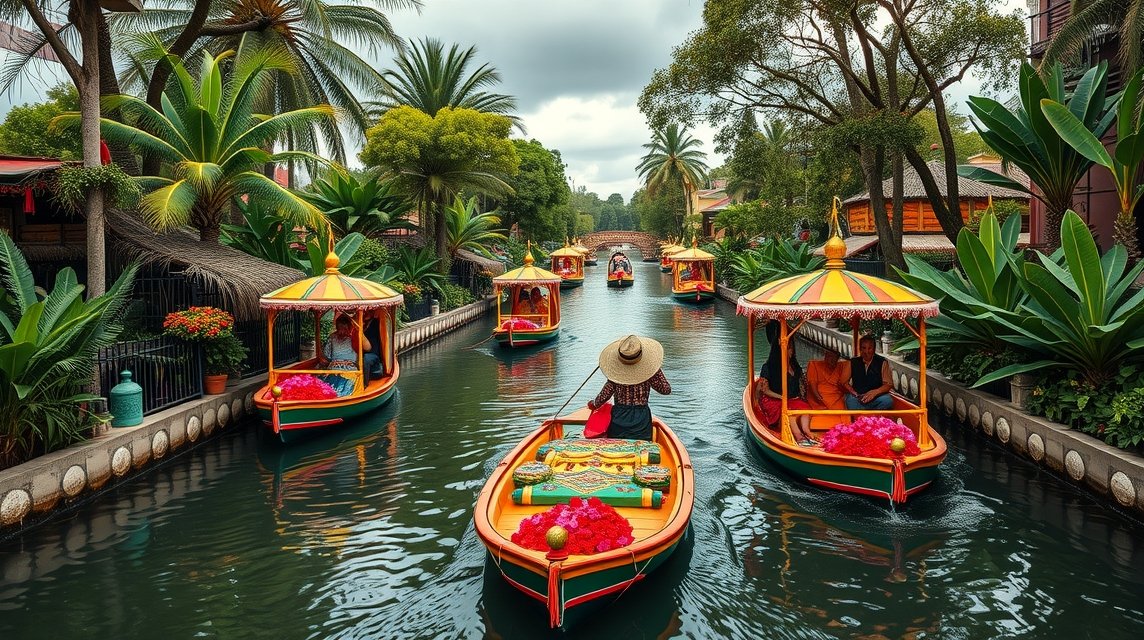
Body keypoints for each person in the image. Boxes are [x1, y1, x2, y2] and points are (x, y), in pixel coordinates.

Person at [587, 335, 671, 441]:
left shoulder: (616, 374)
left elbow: (602, 398)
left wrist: (593, 404)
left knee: (617, 448)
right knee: (642, 448)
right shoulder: (648, 372)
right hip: (641, 418)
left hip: (619, 417)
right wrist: (655, 370)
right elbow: (666, 390)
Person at [754, 322, 816, 445]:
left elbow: (801, 385)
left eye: (790, 347)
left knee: (805, 409)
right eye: (787, 347)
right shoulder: (768, 366)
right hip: (774, 399)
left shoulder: (795, 366)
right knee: (789, 412)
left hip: (790, 398)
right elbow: (765, 391)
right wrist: (782, 397)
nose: (790, 351)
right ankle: (799, 437)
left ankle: (807, 432)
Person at [319, 314, 381, 384]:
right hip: (349, 370)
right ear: (350, 325)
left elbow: (326, 357)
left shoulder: (334, 337)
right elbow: (368, 348)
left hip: (336, 369)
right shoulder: (354, 335)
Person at [842, 335, 894, 411]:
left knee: (887, 400)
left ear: (874, 349)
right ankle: (864, 417)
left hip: (876, 397)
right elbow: (843, 382)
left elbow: (888, 384)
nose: (866, 351)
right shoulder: (853, 362)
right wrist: (854, 392)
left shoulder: (882, 362)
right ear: (860, 349)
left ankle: (871, 416)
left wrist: (875, 392)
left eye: (870, 348)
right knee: (849, 400)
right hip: (858, 397)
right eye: (864, 348)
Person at [806, 346, 849, 428]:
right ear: (825, 356)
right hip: (819, 398)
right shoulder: (814, 365)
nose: (832, 359)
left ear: (838, 358)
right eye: (829, 356)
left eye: (834, 357)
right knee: (821, 415)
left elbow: (843, 386)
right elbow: (812, 385)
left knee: (844, 415)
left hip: (836, 398)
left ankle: (845, 431)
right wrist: (819, 399)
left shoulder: (841, 367)